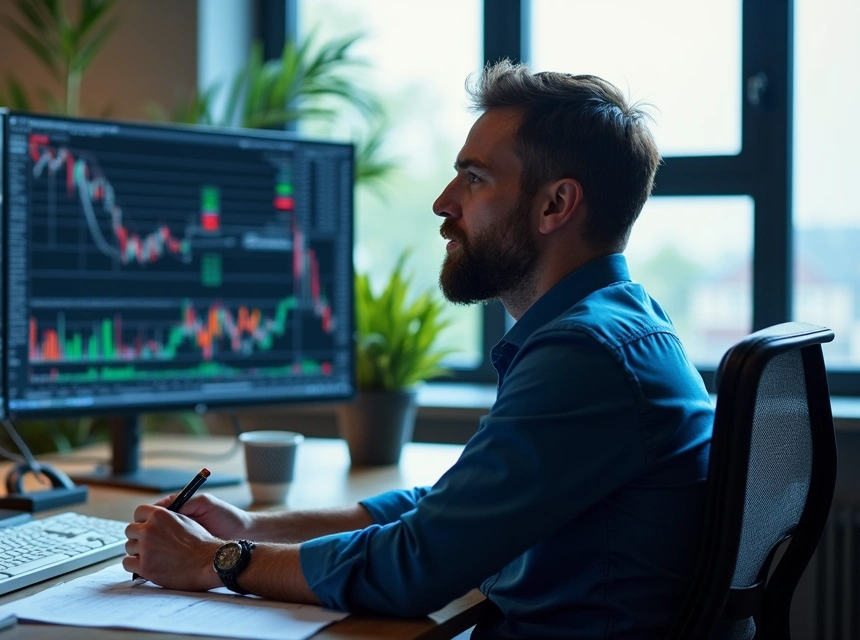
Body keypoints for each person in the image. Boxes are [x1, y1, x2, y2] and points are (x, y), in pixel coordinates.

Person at [122, 61, 714, 639]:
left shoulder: (585, 353)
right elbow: (444, 508)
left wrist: (217, 561)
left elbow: (416, 567)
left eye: (475, 178)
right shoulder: (618, 327)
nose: (444, 201)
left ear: (555, 205)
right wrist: (254, 525)